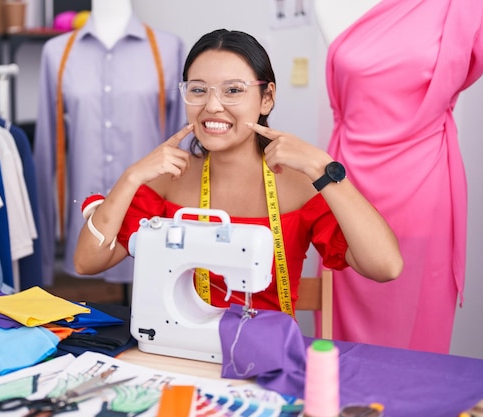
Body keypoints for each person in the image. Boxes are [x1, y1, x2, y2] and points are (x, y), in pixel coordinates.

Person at [73, 29, 403, 315]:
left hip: (263, 361)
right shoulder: (167, 181)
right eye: (198, 90)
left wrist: (322, 168)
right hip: (182, 353)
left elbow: (386, 266)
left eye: (233, 90)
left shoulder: (302, 185)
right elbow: (87, 262)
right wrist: (131, 177)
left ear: (266, 98)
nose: (212, 106)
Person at [315, 0, 483, 353]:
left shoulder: (465, 7)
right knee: (343, 339)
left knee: (418, 331)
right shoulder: (331, 4)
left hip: (425, 187)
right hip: (349, 183)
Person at [33, 0, 186, 287]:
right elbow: (45, 155)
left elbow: (182, 145)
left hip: (151, 224)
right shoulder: (57, 52)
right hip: (84, 221)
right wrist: (42, 266)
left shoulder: (169, 48)